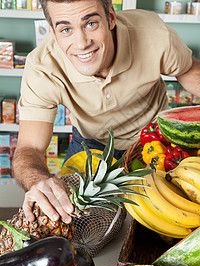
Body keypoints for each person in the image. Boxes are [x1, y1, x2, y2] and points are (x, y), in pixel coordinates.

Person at [13, 0, 200, 225]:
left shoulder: (154, 35)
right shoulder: (42, 67)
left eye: (90, 23)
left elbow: (189, 70)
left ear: (111, 17)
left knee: (166, 224)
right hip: (90, 146)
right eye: (65, 29)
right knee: (82, 226)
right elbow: (29, 148)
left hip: (155, 143)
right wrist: (38, 180)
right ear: (52, 32)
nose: (81, 43)